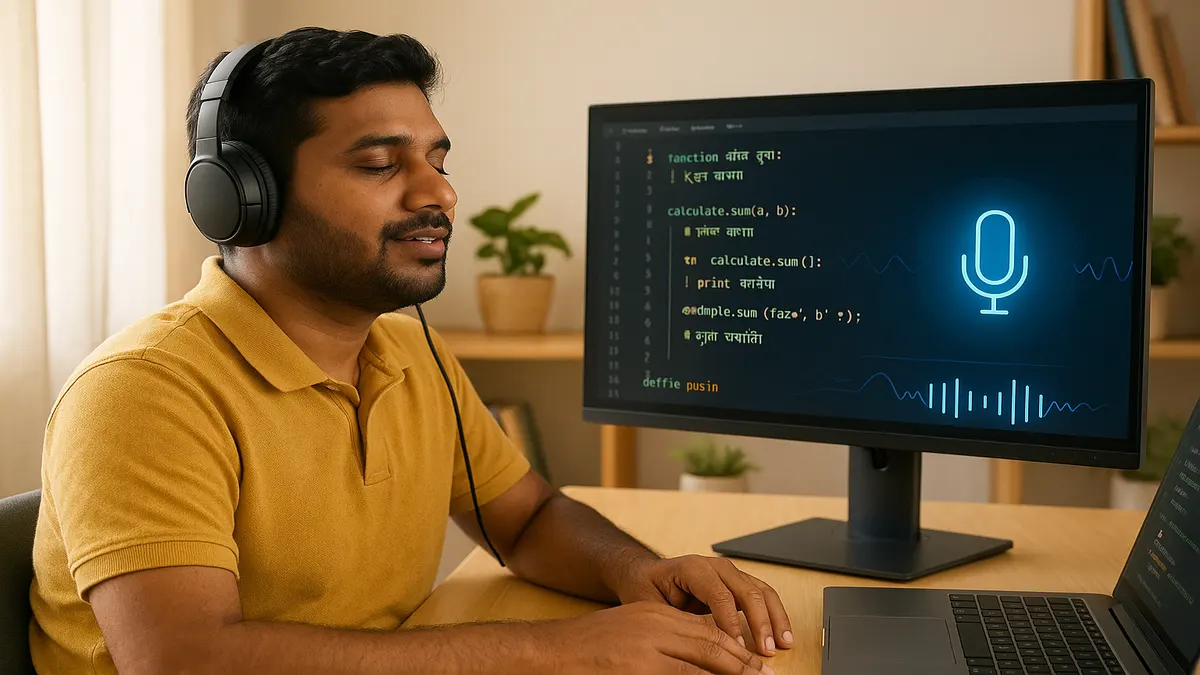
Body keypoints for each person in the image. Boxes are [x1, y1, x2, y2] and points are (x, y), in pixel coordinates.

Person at [28, 26, 791, 675]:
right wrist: (555, 648)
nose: (440, 194)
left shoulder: (407, 350)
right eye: (380, 164)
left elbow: (527, 519)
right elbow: (186, 658)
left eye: (438, 159)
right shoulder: (144, 391)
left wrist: (639, 572)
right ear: (242, 197)